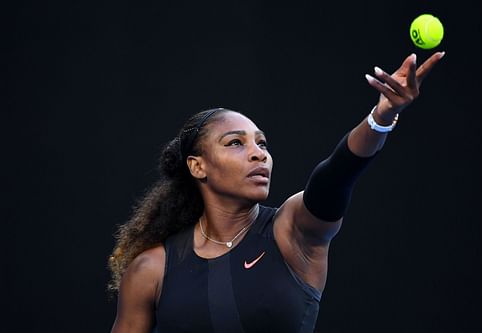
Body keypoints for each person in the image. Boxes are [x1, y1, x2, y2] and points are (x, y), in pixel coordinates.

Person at [108, 51, 445, 333]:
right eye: (236, 143)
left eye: (262, 144)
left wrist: (381, 116)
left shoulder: (292, 232)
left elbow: (335, 177)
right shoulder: (151, 268)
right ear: (198, 166)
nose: (259, 154)